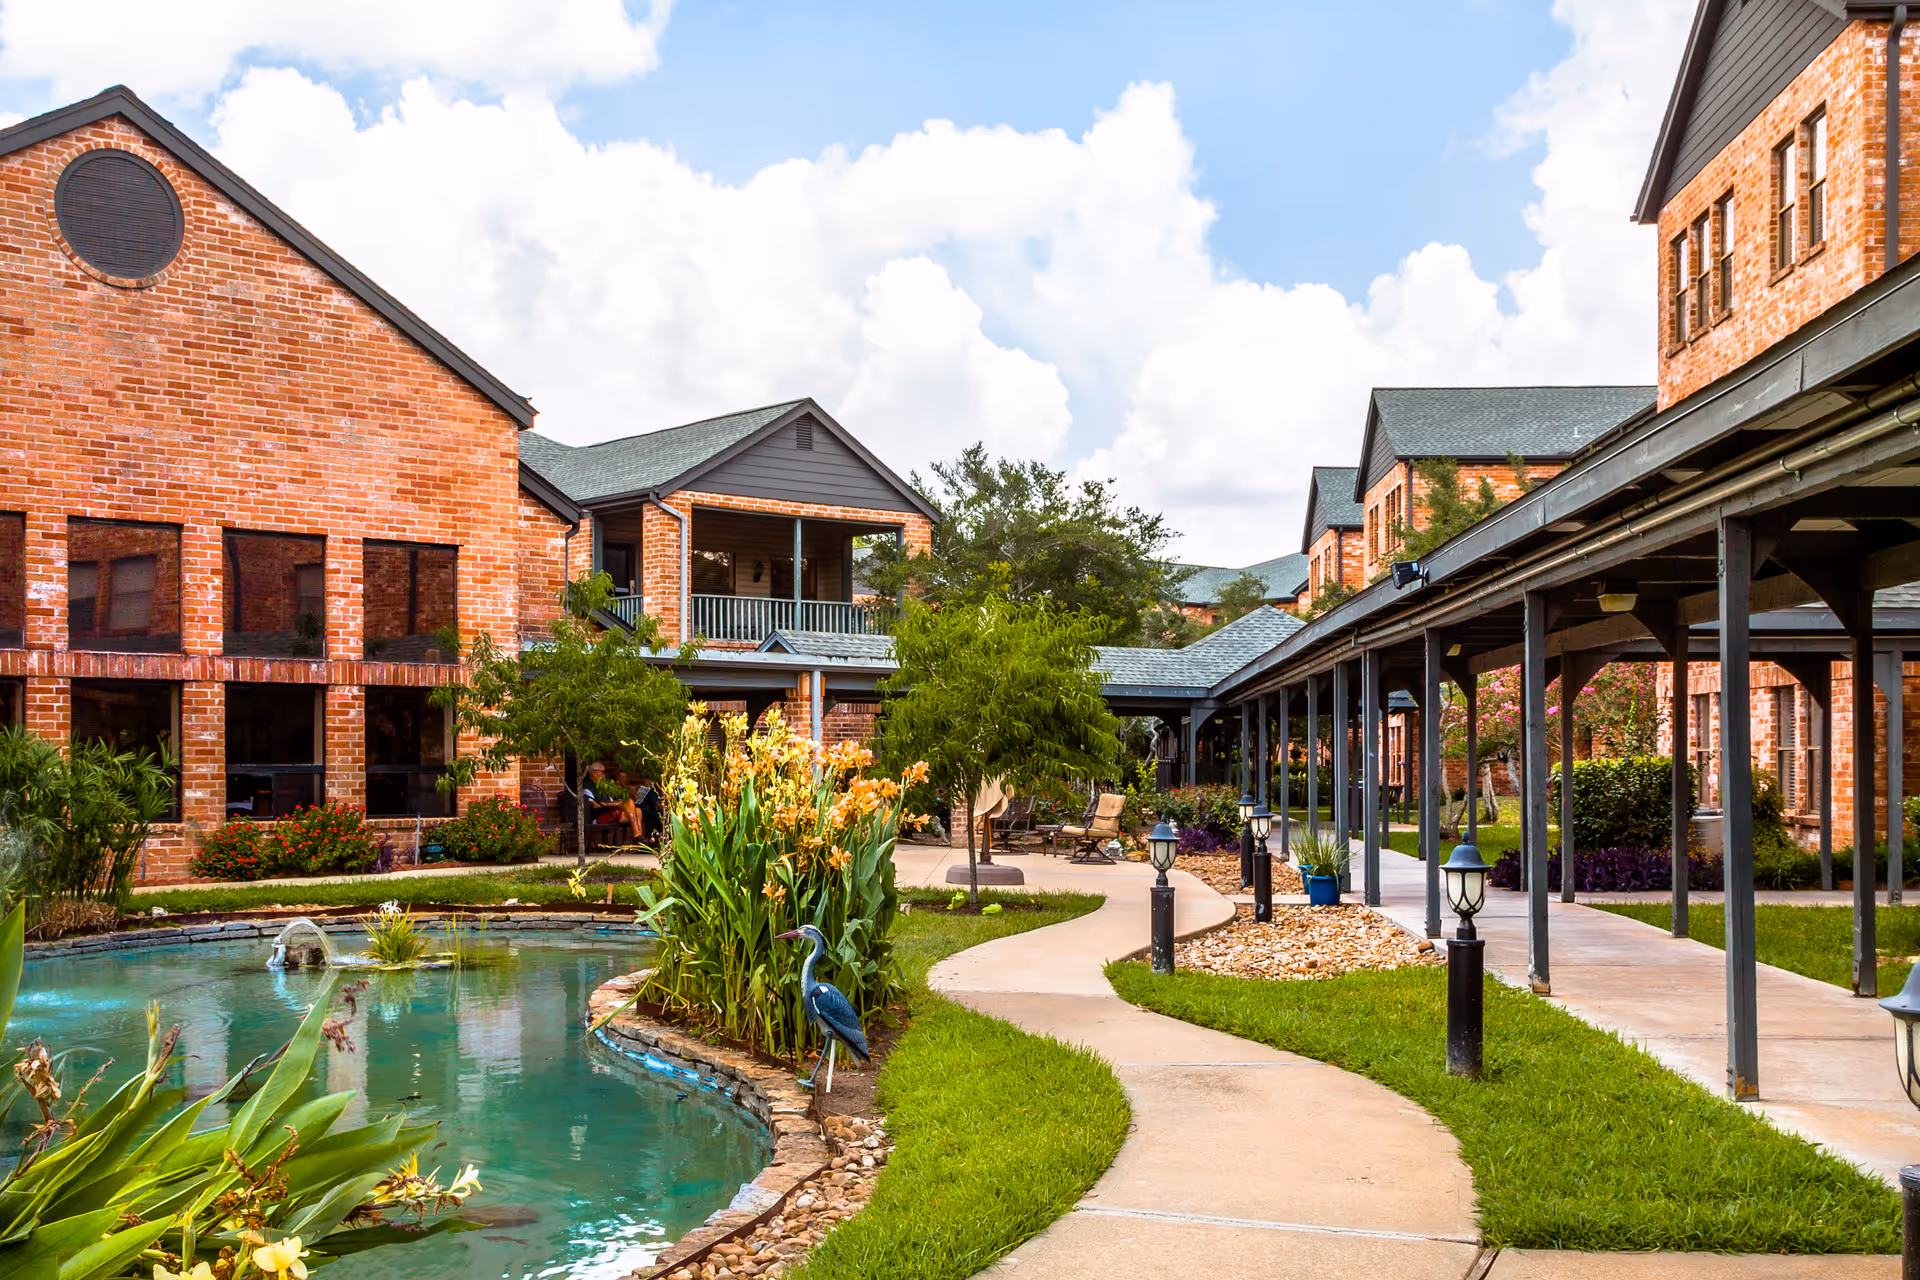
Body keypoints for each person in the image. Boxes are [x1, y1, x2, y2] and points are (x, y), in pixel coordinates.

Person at [583, 762, 642, 841]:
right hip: (599, 816)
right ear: (593, 773)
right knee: (631, 806)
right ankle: (638, 837)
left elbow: (610, 800)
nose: (604, 775)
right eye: (602, 772)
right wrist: (612, 804)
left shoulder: (603, 786)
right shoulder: (587, 787)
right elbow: (595, 805)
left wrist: (616, 802)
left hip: (611, 812)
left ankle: (638, 837)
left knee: (637, 809)